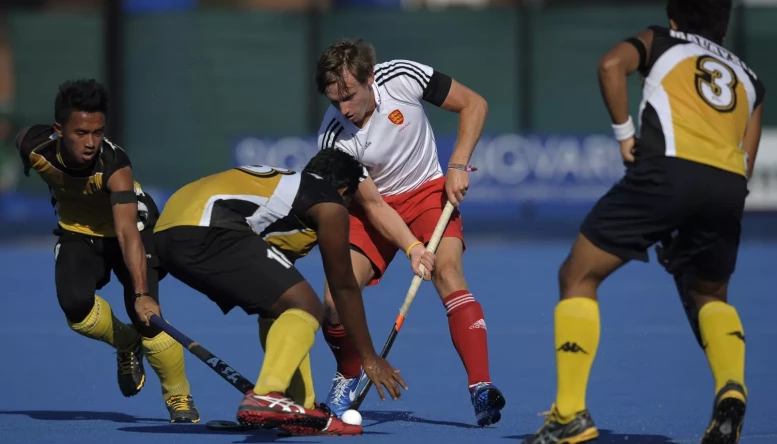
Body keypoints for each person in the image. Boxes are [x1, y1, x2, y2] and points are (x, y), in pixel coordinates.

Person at [521, 0, 765, 442]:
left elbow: (612, 64)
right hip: (727, 188)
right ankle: (732, 385)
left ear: (675, 18)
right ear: (725, 31)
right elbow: (746, 160)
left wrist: (625, 136)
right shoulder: (749, 78)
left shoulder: (662, 38)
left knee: (578, 274)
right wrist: (703, 207)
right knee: (709, 293)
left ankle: (570, 414)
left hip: (667, 170)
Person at [314, 38, 505, 426]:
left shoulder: (403, 77)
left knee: (448, 273)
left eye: (349, 96)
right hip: (371, 210)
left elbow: (475, 104)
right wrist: (413, 247)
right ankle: (347, 374)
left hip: (427, 194)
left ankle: (481, 388)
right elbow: (373, 206)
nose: (344, 110)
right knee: (334, 301)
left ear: (370, 78)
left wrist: (458, 164)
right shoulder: (335, 137)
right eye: (335, 102)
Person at [152, 148, 408, 436]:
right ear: (344, 190)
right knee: (307, 306)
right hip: (209, 227)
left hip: (165, 233)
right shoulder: (329, 201)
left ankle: (300, 408)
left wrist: (142, 292)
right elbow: (344, 287)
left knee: (283, 305)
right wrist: (369, 357)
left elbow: (282, 296)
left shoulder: (281, 195)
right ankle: (269, 394)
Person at [14, 79, 200, 423]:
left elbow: (127, 231)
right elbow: (20, 134)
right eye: (81, 133)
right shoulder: (33, 145)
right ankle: (125, 342)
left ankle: (179, 396)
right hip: (78, 233)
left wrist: (143, 293)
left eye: (98, 133)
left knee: (146, 317)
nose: (90, 143)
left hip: (132, 231)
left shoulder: (115, 166)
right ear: (58, 130)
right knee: (75, 308)